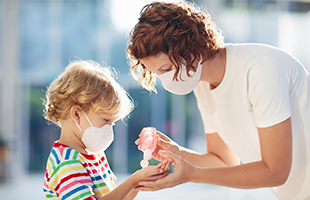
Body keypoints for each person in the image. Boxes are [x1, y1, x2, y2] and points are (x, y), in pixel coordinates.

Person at [126, 2, 310, 200]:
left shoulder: (260, 70)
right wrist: (177, 153)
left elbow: (276, 172)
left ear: (192, 48)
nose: (165, 81)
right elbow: (223, 162)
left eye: (166, 69)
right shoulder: (202, 84)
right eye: (157, 73)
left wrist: (193, 175)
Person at [42, 60, 172, 200]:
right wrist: (133, 180)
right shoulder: (67, 163)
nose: (109, 129)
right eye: (105, 120)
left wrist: (139, 182)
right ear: (76, 114)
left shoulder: (95, 154)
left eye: (113, 123)